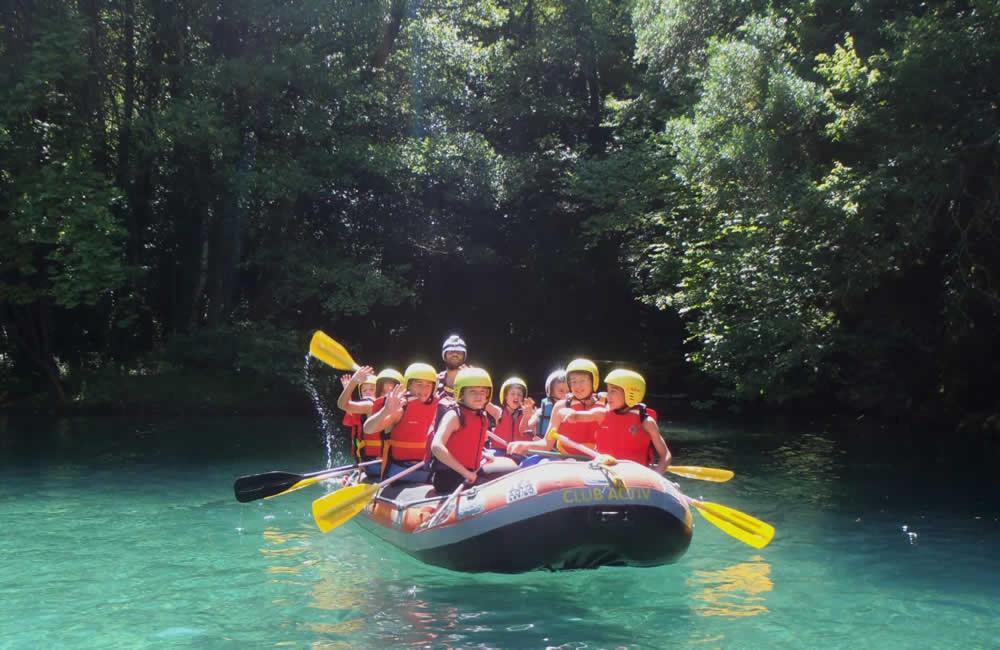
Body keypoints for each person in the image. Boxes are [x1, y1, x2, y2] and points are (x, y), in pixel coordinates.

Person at [558, 369, 671, 473]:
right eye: (608, 391)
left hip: (635, 476)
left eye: (613, 391)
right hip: (604, 472)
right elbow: (576, 416)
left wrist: (656, 475)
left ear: (631, 393)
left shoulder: (647, 422)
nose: (608, 396)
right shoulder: (601, 414)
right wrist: (567, 413)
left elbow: (665, 455)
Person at [429, 367, 518, 493]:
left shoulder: (481, 416)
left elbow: (466, 444)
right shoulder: (454, 415)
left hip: (471, 470)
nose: (479, 396)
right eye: (472, 391)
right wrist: (465, 473)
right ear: (461, 394)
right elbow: (436, 446)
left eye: (483, 391)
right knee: (497, 490)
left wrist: (482, 455)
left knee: (513, 469)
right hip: (449, 476)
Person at [506, 358, 603, 457]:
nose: (577, 386)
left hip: (596, 461)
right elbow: (546, 445)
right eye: (573, 381)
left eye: (582, 380)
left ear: (593, 381)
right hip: (566, 459)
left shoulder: (605, 406)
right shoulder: (560, 406)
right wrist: (524, 445)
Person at [364, 362, 440, 482]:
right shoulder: (401, 407)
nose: (424, 389)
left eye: (428, 385)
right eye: (419, 384)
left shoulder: (438, 405)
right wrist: (386, 410)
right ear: (408, 385)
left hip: (425, 466)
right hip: (401, 469)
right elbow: (368, 428)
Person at [337, 366, 377, 465]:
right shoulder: (360, 408)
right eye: (364, 390)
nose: (367, 392)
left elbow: (345, 406)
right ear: (361, 394)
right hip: (361, 455)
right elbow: (348, 409)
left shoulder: (375, 406)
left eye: (371, 389)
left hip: (373, 457)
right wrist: (347, 390)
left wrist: (349, 387)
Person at [491, 376, 536, 451]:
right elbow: (483, 402)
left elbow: (531, 430)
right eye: (512, 394)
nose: (516, 396)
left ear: (523, 398)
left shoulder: (529, 414)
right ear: (505, 397)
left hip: (521, 453)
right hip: (499, 452)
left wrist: (528, 415)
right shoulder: (498, 412)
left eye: (519, 394)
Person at [528, 370, 568, 438]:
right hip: (544, 445)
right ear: (550, 392)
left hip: (562, 446)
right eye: (561, 391)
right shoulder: (540, 411)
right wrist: (533, 415)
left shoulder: (572, 411)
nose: (565, 395)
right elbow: (530, 425)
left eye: (568, 391)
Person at [436, 334, 467, 400]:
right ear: (444, 355)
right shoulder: (434, 381)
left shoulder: (473, 379)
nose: (455, 354)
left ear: (464, 356)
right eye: (451, 351)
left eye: (459, 352)